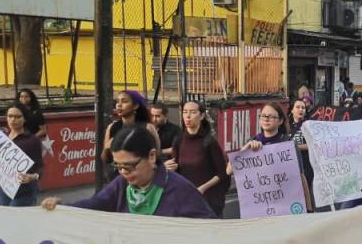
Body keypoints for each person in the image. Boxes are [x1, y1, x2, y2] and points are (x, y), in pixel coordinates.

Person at [42, 126, 214, 218]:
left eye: (129, 166)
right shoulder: (121, 184)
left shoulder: (180, 190)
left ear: (152, 156)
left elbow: (210, 229)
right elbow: (94, 205)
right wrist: (62, 207)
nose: (123, 172)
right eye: (118, 166)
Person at [166, 101, 230, 216]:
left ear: (201, 116)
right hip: (185, 198)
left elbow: (222, 173)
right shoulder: (179, 140)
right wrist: (167, 167)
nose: (188, 116)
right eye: (185, 112)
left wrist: (202, 188)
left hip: (208, 199)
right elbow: (174, 169)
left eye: (192, 112)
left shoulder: (209, 141)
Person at [0, 103, 44, 206]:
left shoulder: (32, 141)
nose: (13, 120)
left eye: (18, 117)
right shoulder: (1, 136)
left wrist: (33, 177)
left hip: (24, 190)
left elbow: (40, 167)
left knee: (18, 220)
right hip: (4, 187)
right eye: (10, 116)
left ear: (24, 119)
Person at [103, 90, 161, 168]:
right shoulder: (112, 127)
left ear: (135, 106)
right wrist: (107, 148)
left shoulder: (147, 127)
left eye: (124, 101)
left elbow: (157, 155)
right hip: (117, 173)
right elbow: (104, 159)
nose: (119, 105)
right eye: (117, 101)